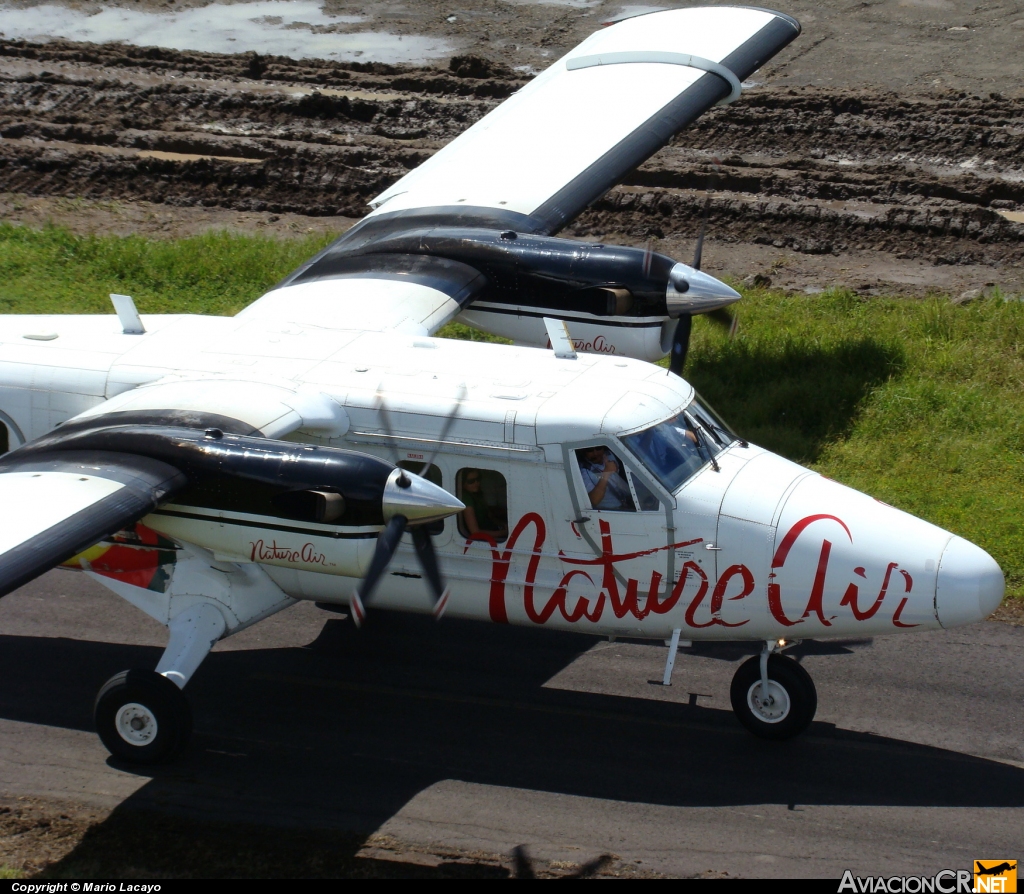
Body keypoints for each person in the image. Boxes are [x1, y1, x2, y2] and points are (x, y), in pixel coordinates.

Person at [577, 446, 635, 511]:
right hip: (611, 510)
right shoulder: (584, 472)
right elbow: (594, 501)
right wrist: (606, 473)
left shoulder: (610, 455)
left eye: (598, 448)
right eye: (589, 450)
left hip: (627, 501)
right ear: (584, 452)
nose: (595, 453)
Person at [460, 470, 508, 541]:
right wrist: (503, 533)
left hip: (492, 528)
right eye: (471, 481)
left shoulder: (478, 494)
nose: (476, 483)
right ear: (463, 484)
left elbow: (490, 517)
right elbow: (475, 532)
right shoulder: (466, 499)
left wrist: (503, 525)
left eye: (478, 479)